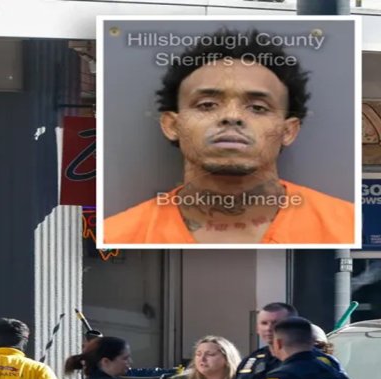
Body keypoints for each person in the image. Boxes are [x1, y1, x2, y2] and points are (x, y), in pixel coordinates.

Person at [104, 29, 354, 245]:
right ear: (172, 125)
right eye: (207, 105)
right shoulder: (118, 234)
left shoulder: (349, 226)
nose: (232, 117)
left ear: (288, 131)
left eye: (257, 107)